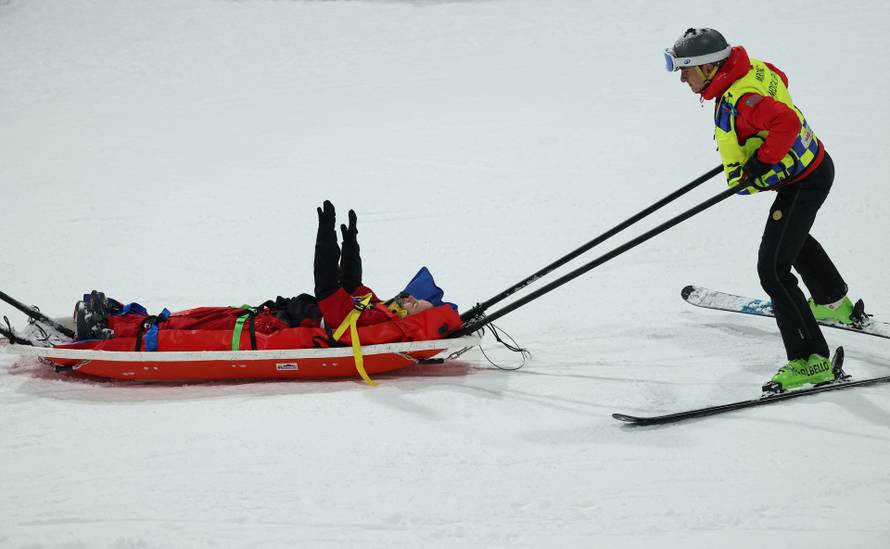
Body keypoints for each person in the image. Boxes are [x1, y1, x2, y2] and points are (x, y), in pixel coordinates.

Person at [664, 28, 863, 391]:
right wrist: (755, 144)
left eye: (685, 70)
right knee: (793, 238)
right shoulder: (748, 70)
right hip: (810, 169)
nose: (682, 78)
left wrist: (764, 158)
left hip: (805, 181)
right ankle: (833, 301)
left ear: (709, 68)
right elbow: (779, 78)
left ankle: (811, 361)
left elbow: (784, 121)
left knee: (772, 269)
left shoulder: (744, 98)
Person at [74, 200, 450, 342]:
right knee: (195, 317)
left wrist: (325, 241)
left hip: (274, 329)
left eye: (419, 305)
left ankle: (111, 332)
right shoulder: (378, 308)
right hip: (270, 315)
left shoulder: (371, 324)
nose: (415, 299)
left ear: (412, 317)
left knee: (187, 329)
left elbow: (328, 290)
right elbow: (351, 283)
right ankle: (122, 316)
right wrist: (350, 243)